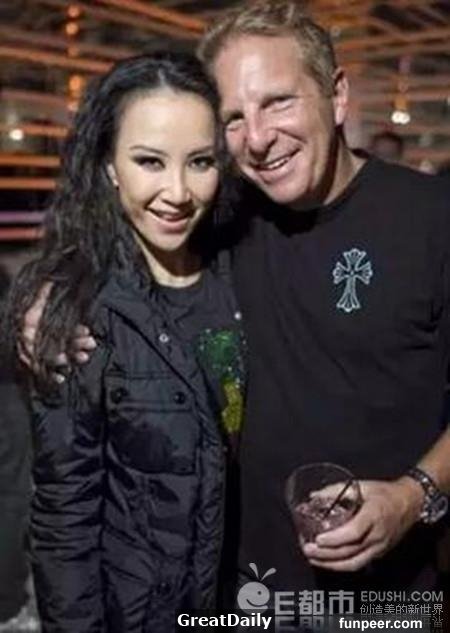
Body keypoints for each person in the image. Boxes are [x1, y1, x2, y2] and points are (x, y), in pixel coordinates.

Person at [23, 0, 450, 605]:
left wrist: (412, 496)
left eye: (278, 102)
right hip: (241, 592)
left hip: (390, 597)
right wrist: (52, 294)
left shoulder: (433, 218)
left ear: (337, 95)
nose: (258, 138)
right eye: (233, 118)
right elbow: (119, 233)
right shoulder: (224, 214)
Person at [6, 52, 246, 632]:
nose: (178, 192)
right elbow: (64, 520)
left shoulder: (243, 269)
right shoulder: (81, 314)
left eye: (200, 162)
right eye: (149, 161)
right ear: (109, 166)